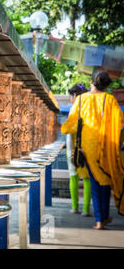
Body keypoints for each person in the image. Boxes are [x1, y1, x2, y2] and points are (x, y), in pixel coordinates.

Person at [61, 70, 124, 229]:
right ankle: (103, 216)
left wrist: (63, 128)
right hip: (106, 147)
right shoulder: (110, 99)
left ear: (91, 82)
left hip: (87, 148)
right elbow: (120, 122)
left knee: (96, 182)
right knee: (105, 181)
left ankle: (99, 220)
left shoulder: (82, 99)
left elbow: (71, 123)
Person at [66, 84, 91, 216]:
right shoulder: (90, 109)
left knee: (73, 177)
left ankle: (75, 207)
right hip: (87, 148)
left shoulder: (73, 110)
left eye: (71, 95)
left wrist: (70, 149)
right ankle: (86, 209)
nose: (70, 98)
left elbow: (70, 133)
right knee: (87, 179)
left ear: (75, 96)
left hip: (74, 148)